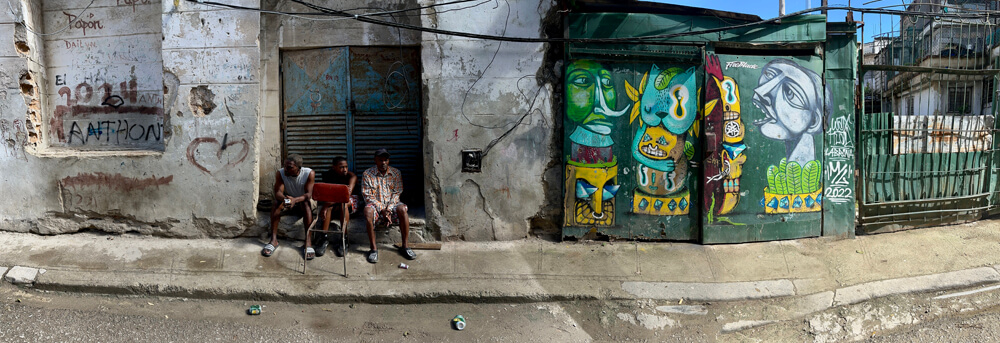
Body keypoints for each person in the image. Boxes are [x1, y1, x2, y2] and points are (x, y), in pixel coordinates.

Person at [361, 148, 415, 263]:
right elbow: (368, 196)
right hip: (376, 206)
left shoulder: (396, 173)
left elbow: (397, 193)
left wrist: (388, 210)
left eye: (386, 160)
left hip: (392, 205)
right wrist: (382, 210)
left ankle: (405, 246)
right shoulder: (367, 174)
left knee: (402, 209)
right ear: (375, 160)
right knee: (367, 212)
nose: (383, 163)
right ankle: (373, 249)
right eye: (380, 160)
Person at [264, 154, 315, 257]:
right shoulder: (281, 173)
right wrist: (286, 199)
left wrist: (295, 200)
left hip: (303, 200)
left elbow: (308, 194)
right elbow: (278, 192)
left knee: (306, 204)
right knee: (276, 203)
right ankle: (273, 240)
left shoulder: (309, 173)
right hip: (289, 199)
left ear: (298, 168)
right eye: (285, 166)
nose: (286, 169)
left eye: (290, 167)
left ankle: (308, 242)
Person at [310, 156, 358, 258]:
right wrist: (326, 205)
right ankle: (324, 237)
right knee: (329, 208)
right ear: (334, 167)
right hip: (333, 201)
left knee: (342, 204)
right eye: (341, 167)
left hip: (348, 201)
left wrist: (325, 205)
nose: (344, 170)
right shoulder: (328, 176)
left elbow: (346, 195)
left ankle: (344, 239)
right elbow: (327, 194)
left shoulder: (351, 176)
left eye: (346, 167)